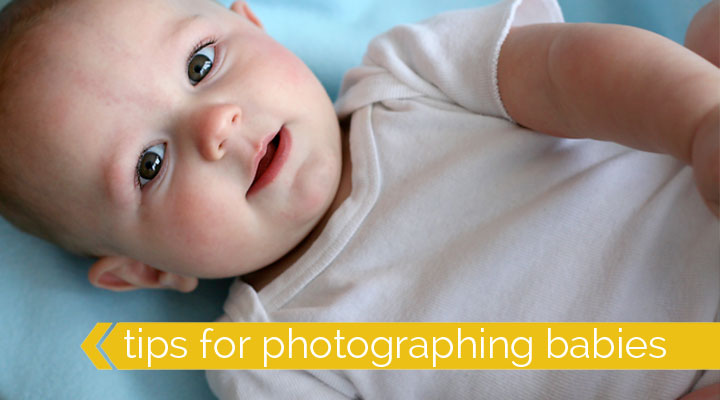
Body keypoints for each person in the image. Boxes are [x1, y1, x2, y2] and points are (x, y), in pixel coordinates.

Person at [0, 0, 718, 398]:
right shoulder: (269, 363)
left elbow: (569, 72)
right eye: (150, 164)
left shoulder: (407, 77)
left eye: (200, 64)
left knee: (705, 35)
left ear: (253, 25)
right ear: (144, 273)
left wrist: (697, 119)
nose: (216, 124)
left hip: (701, 176)